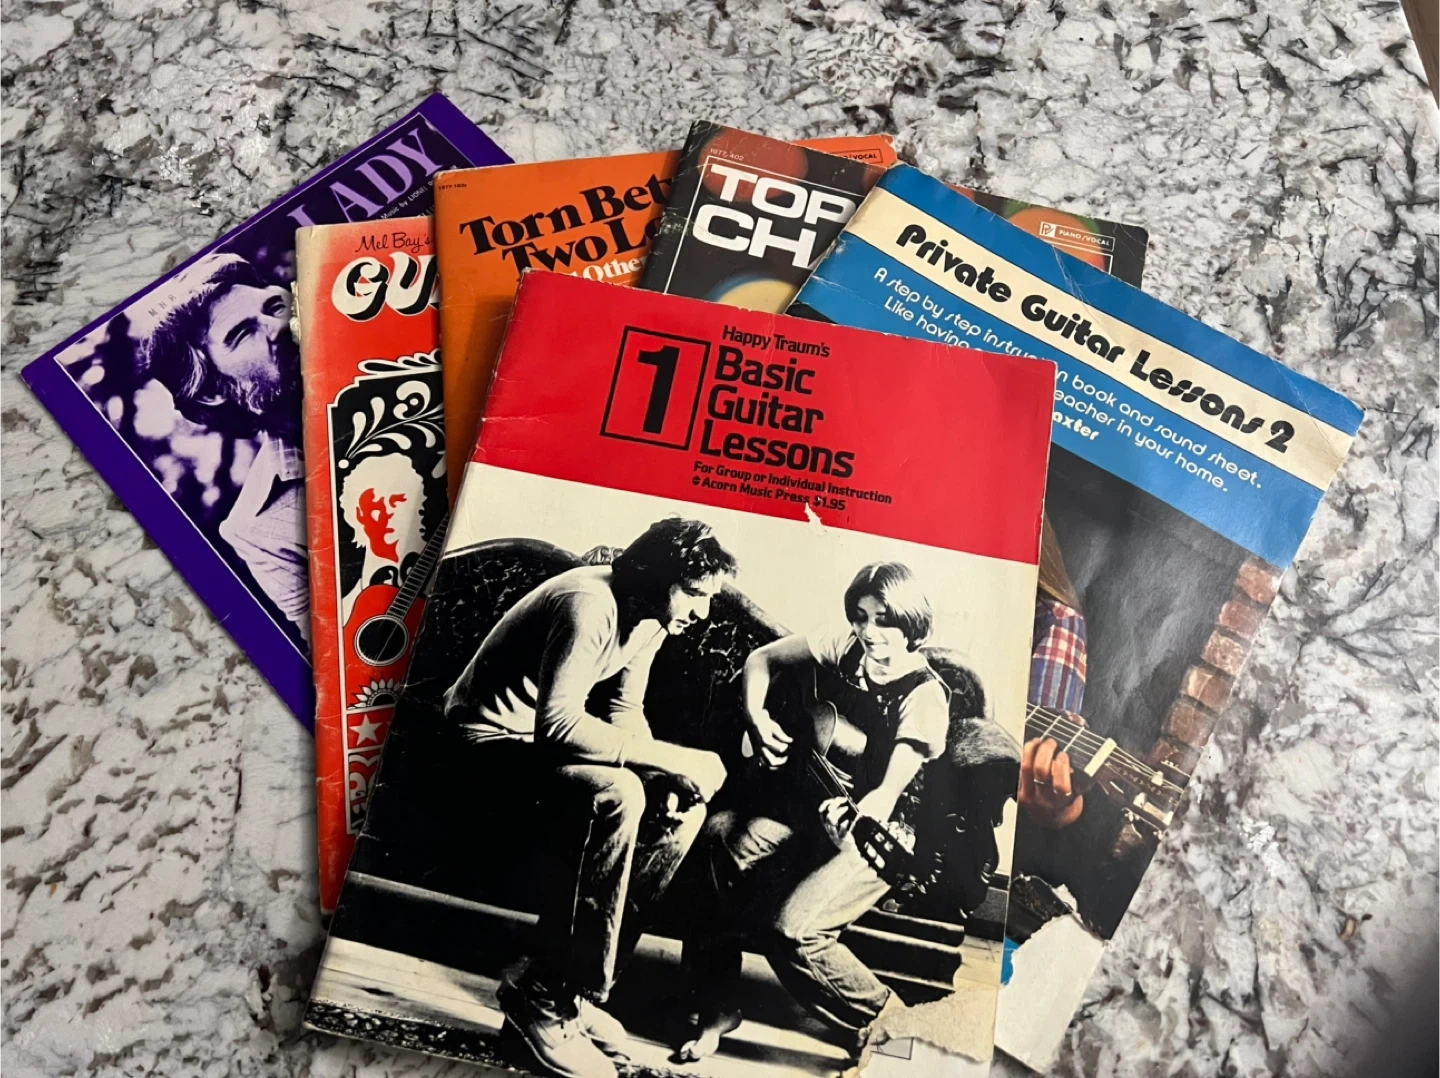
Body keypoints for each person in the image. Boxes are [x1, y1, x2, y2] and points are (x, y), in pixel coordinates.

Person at [440, 517, 737, 1078]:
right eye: (695, 594)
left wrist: (667, 775)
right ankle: (544, 999)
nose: (703, 612)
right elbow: (557, 725)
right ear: (658, 577)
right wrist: (672, 758)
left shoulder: (651, 617)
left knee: (680, 810)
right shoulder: (589, 602)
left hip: (531, 751)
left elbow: (624, 710)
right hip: (479, 749)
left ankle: (566, 988)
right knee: (619, 793)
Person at [677, 562, 951, 1060]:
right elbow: (761, 659)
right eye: (861, 616)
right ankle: (716, 1005)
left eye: (885, 620)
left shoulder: (924, 696)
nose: (869, 632)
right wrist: (757, 718)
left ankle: (898, 1031)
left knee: (795, 932)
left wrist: (852, 826)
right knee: (718, 836)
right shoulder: (845, 645)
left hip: (882, 834)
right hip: (812, 808)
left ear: (911, 622)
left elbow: (888, 793)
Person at [144, 252, 309, 641]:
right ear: (213, 391)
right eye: (243, 333)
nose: (279, 325)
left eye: (274, 305)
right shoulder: (258, 532)